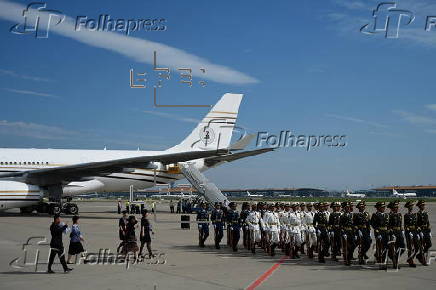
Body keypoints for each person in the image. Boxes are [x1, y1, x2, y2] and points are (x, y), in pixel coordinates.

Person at [371, 201, 390, 268]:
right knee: (380, 248)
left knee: (385, 247)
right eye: (382, 207)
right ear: (378, 208)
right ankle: (380, 262)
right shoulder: (375, 215)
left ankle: (384, 260)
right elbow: (373, 225)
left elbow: (388, 225)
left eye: (384, 207)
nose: (383, 208)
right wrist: (378, 233)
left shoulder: (386, 215)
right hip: (379, 232)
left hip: (386, 233)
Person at [387, 200, 405, 269]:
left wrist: (401, 230)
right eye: (395, 207)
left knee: (402, 247)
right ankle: (395, 262)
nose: (397, 208)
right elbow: (387, 225)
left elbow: (400, 224)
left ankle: (395, 257)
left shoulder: (399, 214)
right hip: (393, 233)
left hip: (399, 232)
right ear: (392, 208)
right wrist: (391, 232)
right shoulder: (389, 215)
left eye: (397, 207)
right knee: (392, 249)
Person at [340, 202, 356, 266]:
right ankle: (346, 260)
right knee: (345, 247)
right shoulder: (342, 216)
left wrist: (355, 233)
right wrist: (343, 233)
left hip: (351, 232)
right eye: (346, 208)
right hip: (345, 232)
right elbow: (341, 226)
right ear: (344, 208)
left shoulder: (352, 215)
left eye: (348, 207)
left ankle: (349, 257)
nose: (348, 209)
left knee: (353, 246)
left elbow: (354, 225)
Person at [416, 200, 432, 266]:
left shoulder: (426, 213)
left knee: (429, 244)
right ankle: (423, 260)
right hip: (421, 231)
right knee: (422, 246)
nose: (423, 206)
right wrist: (419, 231)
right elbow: (416, 224)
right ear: (419, 206)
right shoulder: (417, 214)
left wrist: (429, 231)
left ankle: (419, 255)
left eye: (424, 205)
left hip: (426, 230)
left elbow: (428, 223)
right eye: (422, 205)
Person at [404, 201, 418, 267]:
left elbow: (416, 224)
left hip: (414, 231)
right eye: (410, 206)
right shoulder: (406, 215)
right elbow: (405, 225)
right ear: (408, 207)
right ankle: (411, 260)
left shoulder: (414, 215)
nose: (411, 207)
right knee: (410, 247)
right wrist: (409, 232)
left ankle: (411, 258)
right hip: (409, 233)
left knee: (417, 247)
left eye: (412, 206)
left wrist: (418, 231)